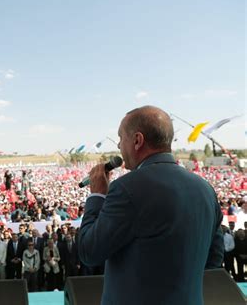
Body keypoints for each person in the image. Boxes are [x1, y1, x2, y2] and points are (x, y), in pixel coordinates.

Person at [78, 106, 224, 305]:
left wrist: (97, 195)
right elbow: (214, 257)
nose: (119, 145)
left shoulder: (127, 188)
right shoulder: (205, 188)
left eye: (121, 138)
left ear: (137, 140)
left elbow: (89, 251)